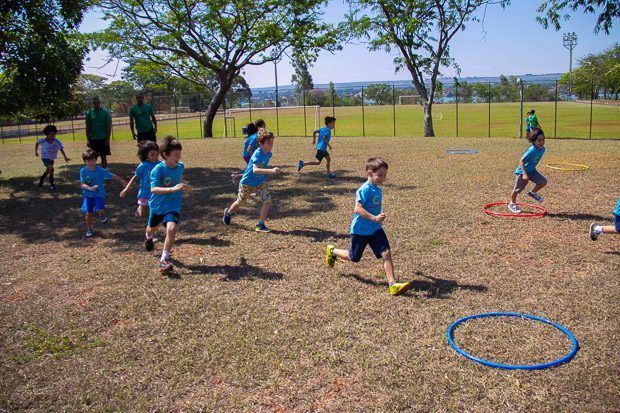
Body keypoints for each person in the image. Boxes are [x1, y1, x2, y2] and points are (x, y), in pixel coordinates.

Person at [325, 158, 410, 296]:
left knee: (386, 253)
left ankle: (392, 284)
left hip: (375, 229)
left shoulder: (378, 189)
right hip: (360, 231)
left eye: (385, 175)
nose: (383, 178)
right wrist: (374, 218)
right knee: (354, 257)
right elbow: (357, 209)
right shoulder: (364, 189)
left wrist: (377, 220)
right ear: (370, 173)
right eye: (380, 175)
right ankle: (332, 251)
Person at [145, 135, 192, 272]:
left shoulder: (180, 167)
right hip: (157, 206)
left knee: (171, 229)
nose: (179, 157)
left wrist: (184, 185)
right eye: (175, 154)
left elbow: (180, 179)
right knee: (151, 228)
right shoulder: (158, 170)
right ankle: (148, 237)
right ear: (165, 155)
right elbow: (153, 189)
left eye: (180, 154)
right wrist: (172, 188)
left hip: (173, 204)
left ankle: (164, 259)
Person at [223, 129, 280, 232]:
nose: (271, 145)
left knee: (267, 200)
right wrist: (271, 171)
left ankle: (260, 225)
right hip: (247, 182)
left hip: (259, 182)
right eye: (268, 143)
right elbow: (255, 170)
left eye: (272, 143)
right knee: (240, 202)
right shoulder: (257, 154)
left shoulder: (268, 154)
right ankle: (228, 212)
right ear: (260, 144)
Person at [80, 148, 127, 237]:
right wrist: (88, 188)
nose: (91, 163)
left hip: (98, 193)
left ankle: (102, 214)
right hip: (88, 194)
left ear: (96, 160)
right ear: (85, 162)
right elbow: (82, 183)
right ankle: (89, 228)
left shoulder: (100, 170)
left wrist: (122, 182)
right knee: (88, 213)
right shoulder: (83, 171)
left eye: (93, 160)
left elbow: (112, 176)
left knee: (100, 208)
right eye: (89, 161)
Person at [508, 127, 546, 213]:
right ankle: (512, 203)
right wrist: (524, 174)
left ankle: (532, 192)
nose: (541, 142)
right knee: (517, 189)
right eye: (539, 140)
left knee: (543, 181)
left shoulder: (543, 149)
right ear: (534, 141)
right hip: (522, 172)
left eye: (543, 140)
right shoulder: (531, 150)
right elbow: (521, 161)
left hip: (532, 171)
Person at [120, 140, 162, 218]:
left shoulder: (160, 164)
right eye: (152, 155)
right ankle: (139, 208)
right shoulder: (142, 166)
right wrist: (126, 188)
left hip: (156, 191)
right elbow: (135, 177)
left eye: (157, 155)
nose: (155, 157)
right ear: (146, 155)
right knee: (142, 215)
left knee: (156, 212)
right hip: (144, 192)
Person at [231, 119, 266, 185]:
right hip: (248, 156)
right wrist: (255, 158)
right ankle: (245, 183)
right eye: (264, 127)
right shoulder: (255, 137)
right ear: (259, 127)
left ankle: (236, 177)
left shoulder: (258, 135)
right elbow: (249, 150)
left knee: (252, 170)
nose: (265, 129)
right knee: (253, 171)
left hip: (250, 155)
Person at [35, 125, 70, 190]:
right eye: (50, 134)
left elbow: (61, 149)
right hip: (45, 157)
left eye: (53, 134)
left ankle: (41, 178)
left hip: (51, 157)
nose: (52, 136)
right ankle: (52, 185)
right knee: (51, 169)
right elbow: (37, 143)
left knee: (48, 171)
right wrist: (36, 152)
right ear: (47, 134)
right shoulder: (43, 141)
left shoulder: (56, 141)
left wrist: (65, 157)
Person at [85, 96, 112, 169]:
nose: (96, 104)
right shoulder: (89, 113)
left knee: (103, 157)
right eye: (94, 103)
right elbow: (87, 127)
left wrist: (107, 139)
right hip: (93, 139)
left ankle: (103, 172)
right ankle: (94, 172)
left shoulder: (105, 113)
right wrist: (88, 139)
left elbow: (109, 126)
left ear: (100, 103)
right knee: (93, 157)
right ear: (92, 103)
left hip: (103, 138)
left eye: (97, 103)